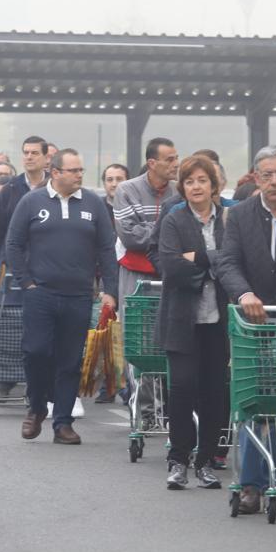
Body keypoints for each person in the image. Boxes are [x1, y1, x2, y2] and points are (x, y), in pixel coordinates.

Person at [216, 146, 276, 514]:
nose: (274, 181)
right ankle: (252, 484)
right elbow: (227, 262)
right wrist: (244, 293)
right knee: (254, 401)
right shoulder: (238, 215)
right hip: (254, 322)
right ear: (255, 177)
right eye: (267, 175)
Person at [6, 149, 118, 444]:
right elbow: (13, 244)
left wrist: (110, 291)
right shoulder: (31, 202)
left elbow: (107, 249)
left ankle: (63, 423)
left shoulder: (93, 204)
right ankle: (37, 406)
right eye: (74, 170)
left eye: (81, 170)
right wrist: (26, 282)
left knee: (70, 360)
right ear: (55, 173)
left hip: (79, 295)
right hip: (40, 293)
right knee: (36, 351)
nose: (80, 175)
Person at [158, 156, 230, 488]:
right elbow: (170, 265)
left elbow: (237, 261)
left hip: (219, 319)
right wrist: (211, 261)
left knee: (214, 391)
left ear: (213, 185)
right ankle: (178, 459)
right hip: (182, 317)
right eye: (189, 181)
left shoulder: (230, 219)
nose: (196, 187)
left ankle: (206, 461)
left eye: (202, 180)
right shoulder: (174, 220)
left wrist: (195, 257)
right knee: (182, 388)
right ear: (182, 187)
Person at [113, 137, 178, 424]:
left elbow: (185, 232)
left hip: (169, 276)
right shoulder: (127, 190)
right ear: (153, 163)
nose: (176, 164)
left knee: (167, 343)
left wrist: (155, 232)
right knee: (137, 344)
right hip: (136, 278)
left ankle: (167, 408)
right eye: (170, 159)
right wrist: (168, 233)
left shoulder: (179, 191)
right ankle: (144, 410)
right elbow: (129, 235)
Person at [0, 136, 50, 251]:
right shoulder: (9, 189)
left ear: (45, 158)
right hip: (17, 260)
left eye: (34, 153)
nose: (29, 157)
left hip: (49, 259)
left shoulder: (55, 186)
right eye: (26, 153)